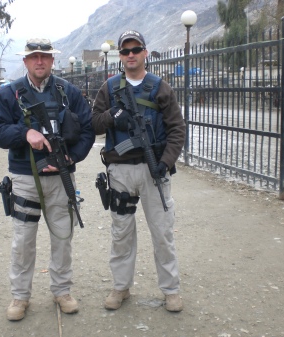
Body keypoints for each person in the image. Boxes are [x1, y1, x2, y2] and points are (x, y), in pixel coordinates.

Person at [0, 37, 95, 321]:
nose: (39, 61)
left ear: (52, 61)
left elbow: (87, 129)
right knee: (23, 240)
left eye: (45, 57)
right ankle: (20, 296)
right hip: (26, 178)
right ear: (25, 61)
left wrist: (72, 158)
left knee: (63, 236)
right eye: (34, 56)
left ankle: (62, 291)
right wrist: (25, 134)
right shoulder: (9, 93)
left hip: (62, 178)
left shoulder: (68, 91)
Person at [92, 30, 186, 312]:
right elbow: (94, 123)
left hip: (152, 170)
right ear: (120, 56)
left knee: (162, 233)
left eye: (136, 49)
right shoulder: (109, 88)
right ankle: (120, 288)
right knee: (121, 233)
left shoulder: (160, 87)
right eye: (125, 51)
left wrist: (165, 162)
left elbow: (176, 129)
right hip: (120, 171)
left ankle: (171, 290)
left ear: (145, 52)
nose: (130, 55)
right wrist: (113, 117)